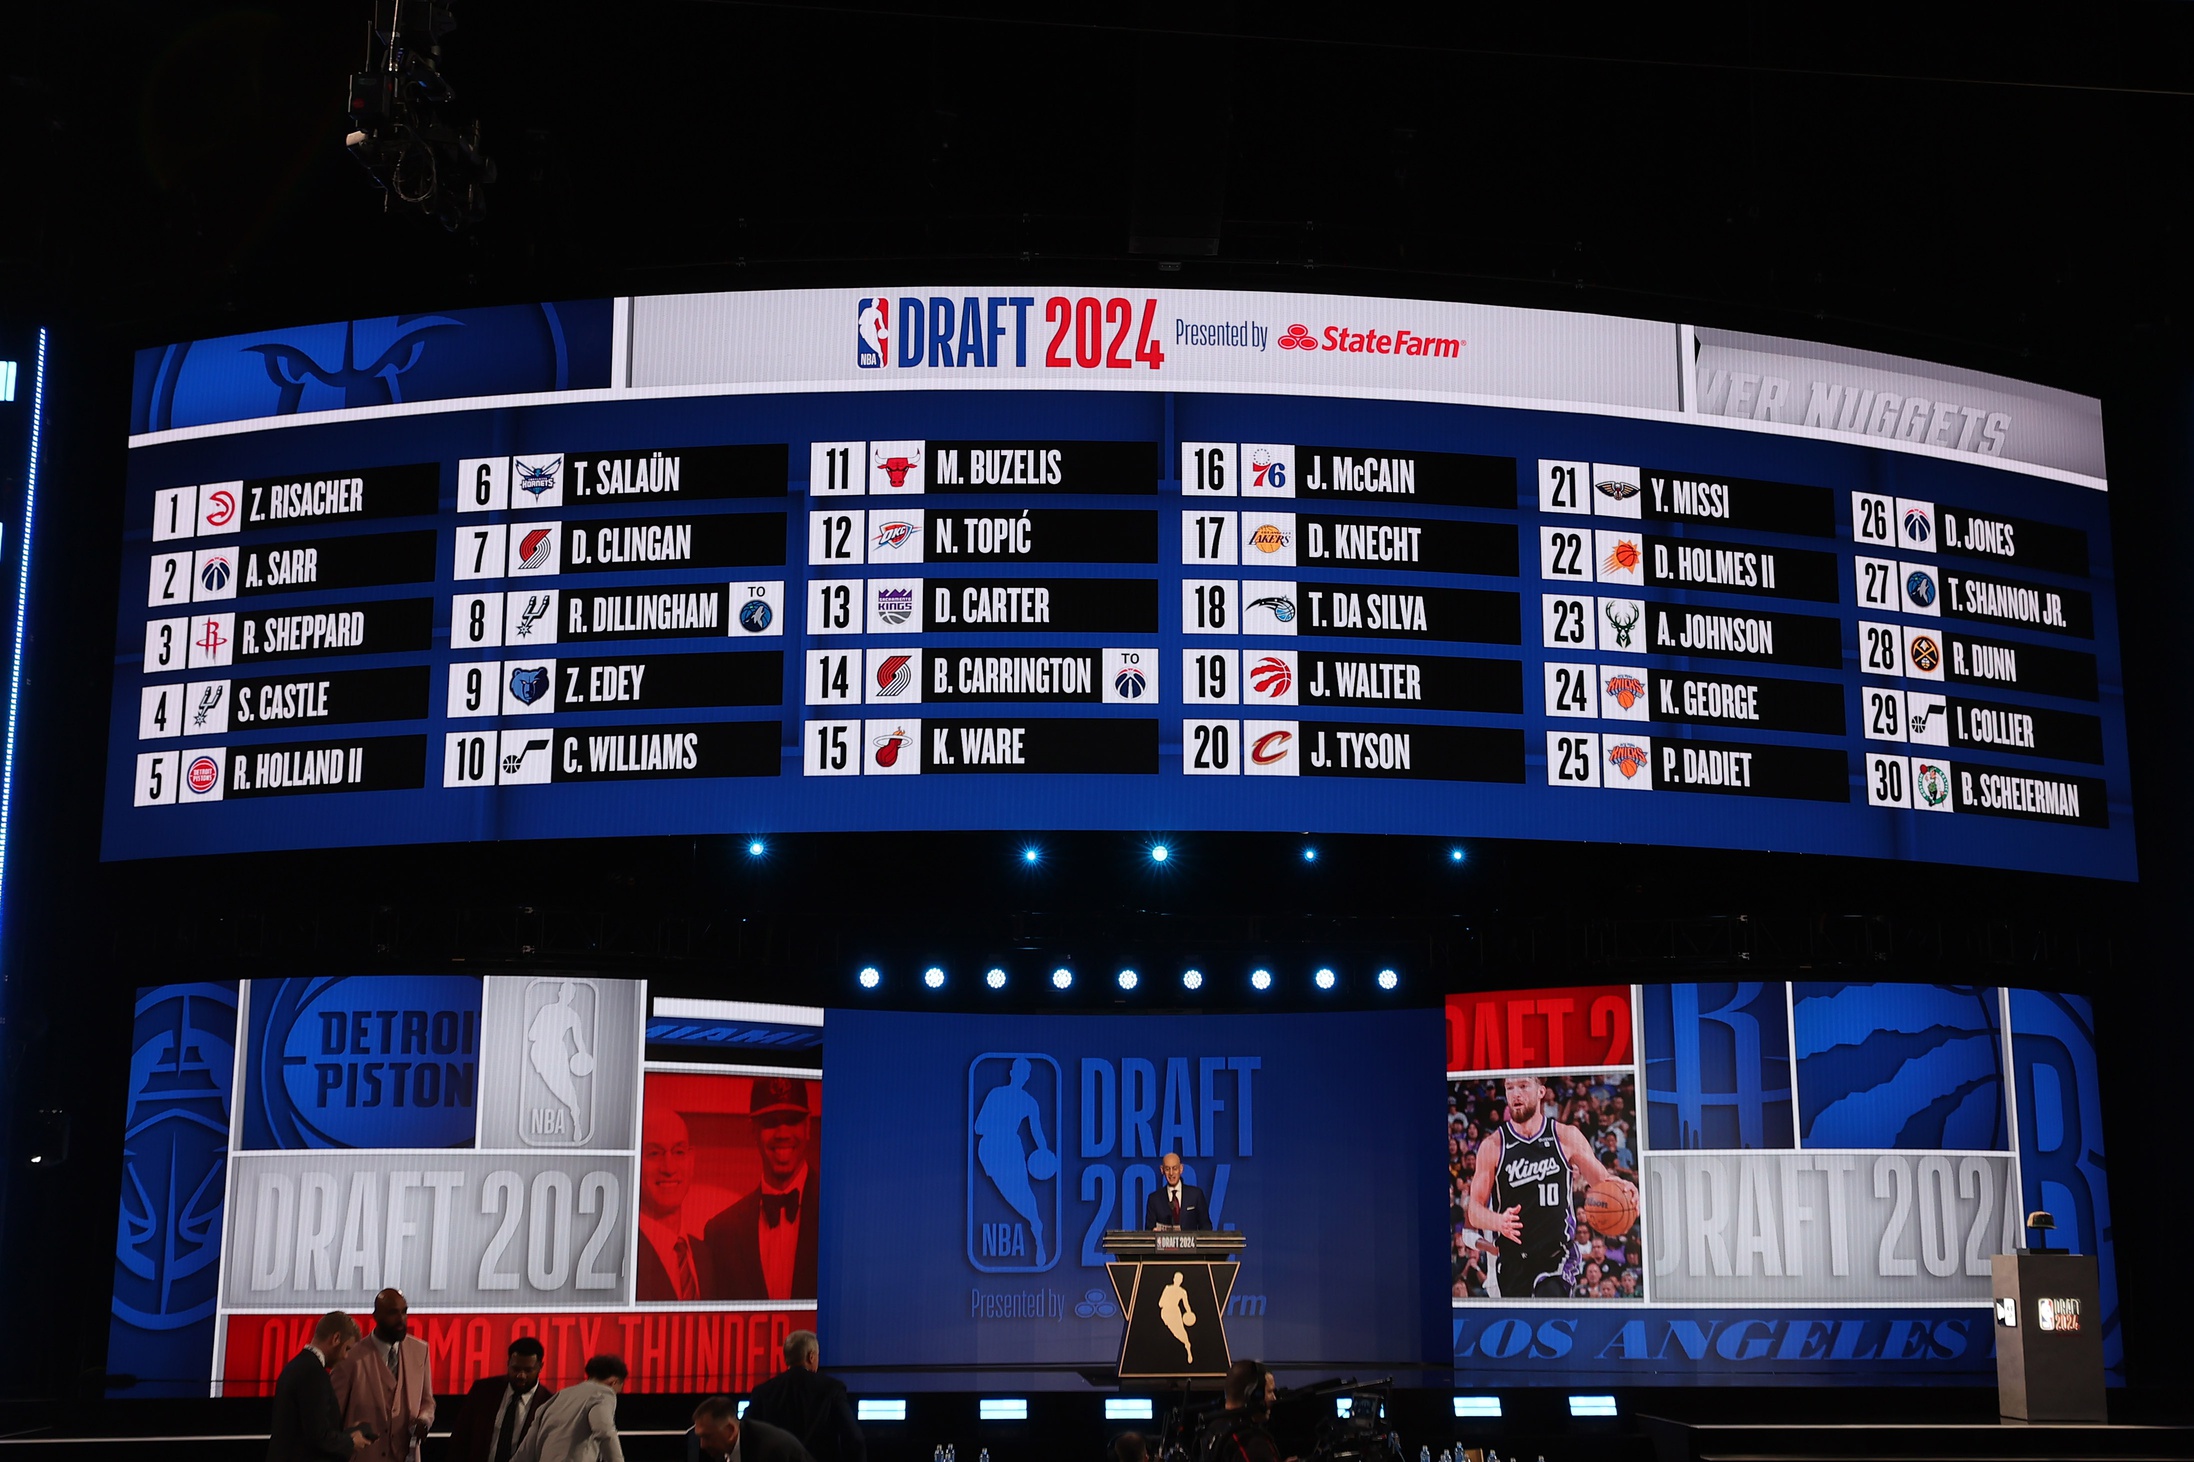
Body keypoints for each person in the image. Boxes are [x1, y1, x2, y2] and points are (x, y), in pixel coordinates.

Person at [1463, 1075, 1636, 1298]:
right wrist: (1498, 1221)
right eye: (1509, 1087)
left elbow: (1602, 1182)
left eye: (1523, 1086)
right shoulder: (1493, 1145)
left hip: (1556, 1255)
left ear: (1541, 1092)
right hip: (1513, 1259)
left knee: (1550, 1300)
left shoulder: (1566, 1136)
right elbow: (1474, 1211)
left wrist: (1624, 1188)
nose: (1516, 1094)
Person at [706, 1077, 820, 1301]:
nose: (783, 1133)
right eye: (770, 1122)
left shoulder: (842, 1215)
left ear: (807, 1126)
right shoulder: (720, 1233)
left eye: (792, 1120)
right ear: (753, 1130)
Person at [331, 1288, 434, 1462]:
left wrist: (424, 1421)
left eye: (404, 1312)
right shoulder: (350, 1357)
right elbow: (332, 1416)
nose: (401, 1319)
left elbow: (427, 1402)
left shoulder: (420, 1351)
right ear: (376, 1316)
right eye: (393, 1313)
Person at [971, 1058, 1053, 1266]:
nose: (1021, 1075)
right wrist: (998, 1126)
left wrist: (1043, 1152)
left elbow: (1037, 1132)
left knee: (1023, 1192)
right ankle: (1035, 1223)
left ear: (1026, 1076)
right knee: (1012, 1193)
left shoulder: (1029, 1102)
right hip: (991, 1150)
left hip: (1010, 1148)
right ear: (1012, 1072)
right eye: (1019, 1071)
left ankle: (1036, 1228)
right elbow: (978, 1127)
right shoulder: (996, 1094)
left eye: (1024, 1072)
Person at [741, 1331, 863, 1462]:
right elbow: (854, 1438)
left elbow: (744, 1434)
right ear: (811, 1357)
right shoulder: (832, 1389)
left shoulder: (763, 1392)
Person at [636, 1105, 716, 1302]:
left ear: (691, 1160)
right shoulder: (620, 1254)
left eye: (679, 1152)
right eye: (654, 1153)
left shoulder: (707, 1255)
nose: (669, 1168)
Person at [268, 1311, 369, 1461]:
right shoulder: (313, 1373)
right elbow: (318, 1435)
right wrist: (351, 1441)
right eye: (347, 1349)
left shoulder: (296, 1366)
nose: (345, 1357)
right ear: (336, 1339)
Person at [448, 1337, 556, 1462]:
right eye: (515, 1369)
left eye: (528, 1370)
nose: (521, 1375)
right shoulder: (483, 1391)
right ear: (508, 1363)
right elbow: (459, 1439)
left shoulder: (549, 1404)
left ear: (540, 1367)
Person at [511, 1355, 626, 1462]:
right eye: (618, 1390)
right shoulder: (603, 1394)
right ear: (614, 1382)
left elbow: (527, 1448)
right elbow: (605, 1432)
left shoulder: (558, 1397)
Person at [1199, 1360, 1293, 1462]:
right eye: (1269, 1392)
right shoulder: (1250, 1443)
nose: (1274, 1398)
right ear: (1253, 1395)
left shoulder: (1214, 1428)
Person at [689, 1394, 815, 1462]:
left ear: (730, 1430)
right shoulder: (723, 1449)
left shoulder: (769, 1451)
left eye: (707, 1437)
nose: (703, 1445)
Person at [1141, 1152, 1212, 1231]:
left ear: (1181, 1169)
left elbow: (1206, 1227)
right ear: (1162, 1170)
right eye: (1167, 1169)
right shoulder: (1154, 1199)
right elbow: (1148, 1230)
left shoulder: (1195, 1195)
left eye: (1175, 1168)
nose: (1171, 1173)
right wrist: (1154, 1232)